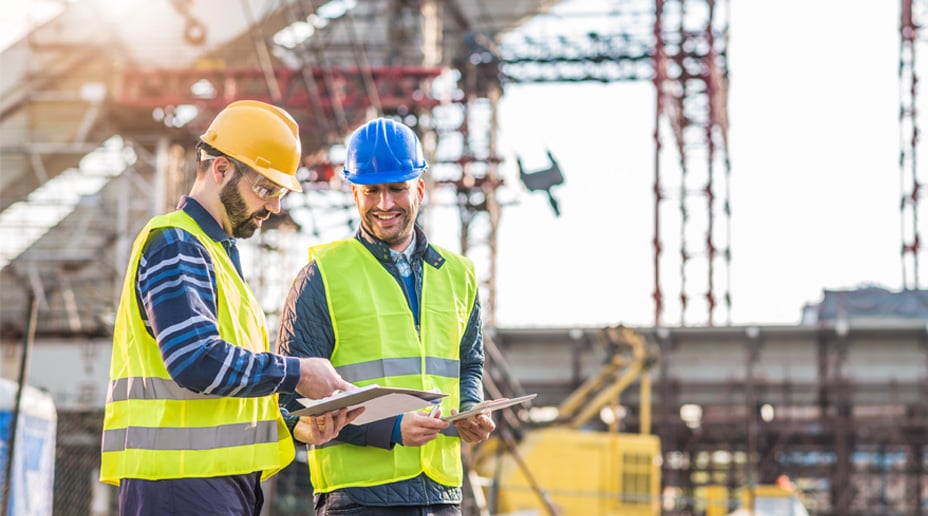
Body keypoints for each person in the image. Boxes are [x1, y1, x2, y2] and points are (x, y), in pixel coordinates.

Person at [99, 100, 360, 515]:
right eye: (265, 188)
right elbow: (196, 360)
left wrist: (297, 426)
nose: (273, 206)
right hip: (179, 486)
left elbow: (225, 392)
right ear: (220, 169)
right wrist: (299, 373)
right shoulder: (177, 244)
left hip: (214, 484)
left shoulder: (214, 255)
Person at [276, 117, 496, 515]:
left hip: (441, 494)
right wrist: (391, 430)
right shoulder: (322, 276)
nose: (385, 204)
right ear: (354, 193)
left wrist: (471, 408)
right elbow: (292, 403)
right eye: (371, 191)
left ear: (420, 189)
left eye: (397, 189)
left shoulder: (459, 274)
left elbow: (470, 364)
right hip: (358, 500)